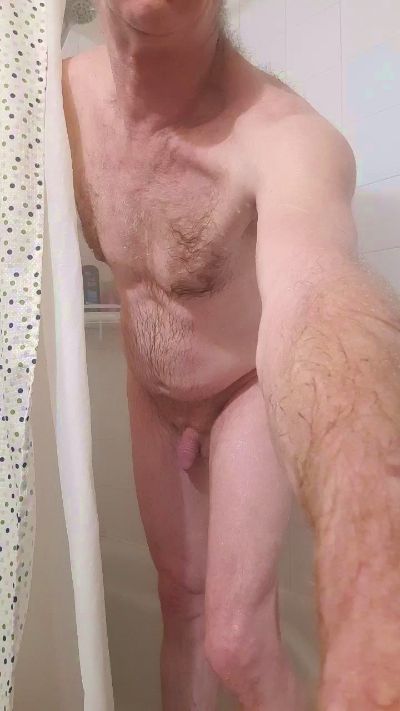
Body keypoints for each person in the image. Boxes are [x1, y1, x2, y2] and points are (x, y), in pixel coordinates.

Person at [62, 1, 400, 709]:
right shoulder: (52, 106)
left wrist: (378, 612)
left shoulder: (286, 138)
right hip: (152, 395)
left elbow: (318, 298)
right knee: (179, 603)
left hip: (242, 388)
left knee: (237, 642)